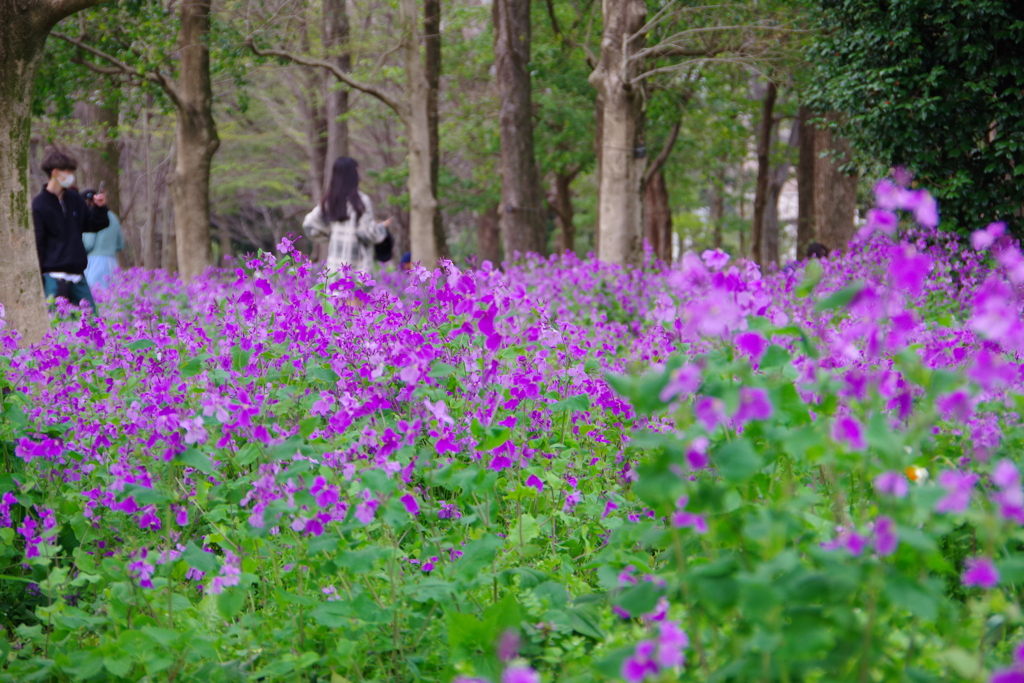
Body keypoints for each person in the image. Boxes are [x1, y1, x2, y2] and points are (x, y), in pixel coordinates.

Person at [32, 150, 108, 312]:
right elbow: (38, 242)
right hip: (52, 275)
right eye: (69, 172)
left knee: (92, 320)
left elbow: (92, 225)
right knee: (53, 321)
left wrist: (99, 208)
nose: (72, 176)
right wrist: (38, 276)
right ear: (55, 173)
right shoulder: (39, 204)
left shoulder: (75, 199)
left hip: (77, 273)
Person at [302, 156, 390, 277]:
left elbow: (309, 226)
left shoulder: (329, 201)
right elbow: (367, 234)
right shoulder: (361, 201)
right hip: (359, 272)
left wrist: (330, 235)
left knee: (337, 295)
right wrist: (382, 227)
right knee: (357, 296)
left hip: (335, 271)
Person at [82, 189, 125, 291]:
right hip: (112, 261)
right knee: (112, 295)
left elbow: (88, 243)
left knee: (96, 294)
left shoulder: (91, 217)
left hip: (95, 262)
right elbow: (120, 244)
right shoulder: (113, 217)